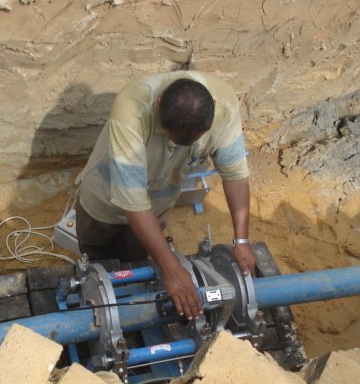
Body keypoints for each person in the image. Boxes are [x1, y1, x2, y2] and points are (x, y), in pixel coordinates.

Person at [75, 71, 257, 321]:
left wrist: (242, 240)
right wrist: (172, 270)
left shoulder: (225, 106)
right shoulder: (132, 109)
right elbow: (133, 200)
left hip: (156, 206)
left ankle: (130, 290)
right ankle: (102, 293)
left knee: (137, 256)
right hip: (103, 201)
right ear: (159, 103)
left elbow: (235, 173)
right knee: (98, 253)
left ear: (213, 107)